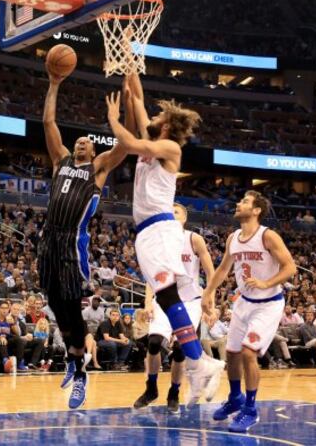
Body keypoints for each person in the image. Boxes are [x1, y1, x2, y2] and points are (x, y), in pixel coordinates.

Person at [107, 78, 224, 408]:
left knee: (169, 294)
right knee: (166, 295)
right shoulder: (154, 137)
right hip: (146, 232)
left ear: (169, 124)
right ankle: (200, 363)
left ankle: (200, 363)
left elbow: (131, 143)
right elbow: (138, 97)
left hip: (159, 228)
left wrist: (115, 120)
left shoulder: (170, 148)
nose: (153, 115)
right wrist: (129, 62)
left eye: (160, 115)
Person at [38, 71, 134, 409]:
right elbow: (49, 122)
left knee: (72, 310)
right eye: (77, 141)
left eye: (86, 142)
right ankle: (71, 359)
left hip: (71, 246)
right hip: (47, 243)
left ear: (93, 148)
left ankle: (80, 374)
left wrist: (115, 119)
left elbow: (126, 144)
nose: (81, 143)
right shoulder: (60, 161)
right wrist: (53, 83)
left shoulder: (98, 168)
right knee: (56, 307)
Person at [203, 190, 296, 433]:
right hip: (244, 302)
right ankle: (235, 398)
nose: (238, 203)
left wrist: (267, 283)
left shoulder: (268, 236)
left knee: (247, 352)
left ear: (256, 210)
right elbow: (223, 269)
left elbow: (290, 267)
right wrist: (208, 292)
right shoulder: (233, 238)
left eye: (244, 201)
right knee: (232, 354)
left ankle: (251, 410)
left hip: (268, 303)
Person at [133, 202, 223, 413]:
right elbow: (151, 275)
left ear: (184, 218)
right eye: (169, 212)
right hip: (165, 298)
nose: (171, 215)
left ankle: (174, 391)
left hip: (191, 301)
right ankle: (151, 388)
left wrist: (212, 303)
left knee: (180, 349)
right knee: (154, 343)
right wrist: (148, 303)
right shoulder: (159, 242)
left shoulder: (193, 239)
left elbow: (212, 273)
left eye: (176, 212)